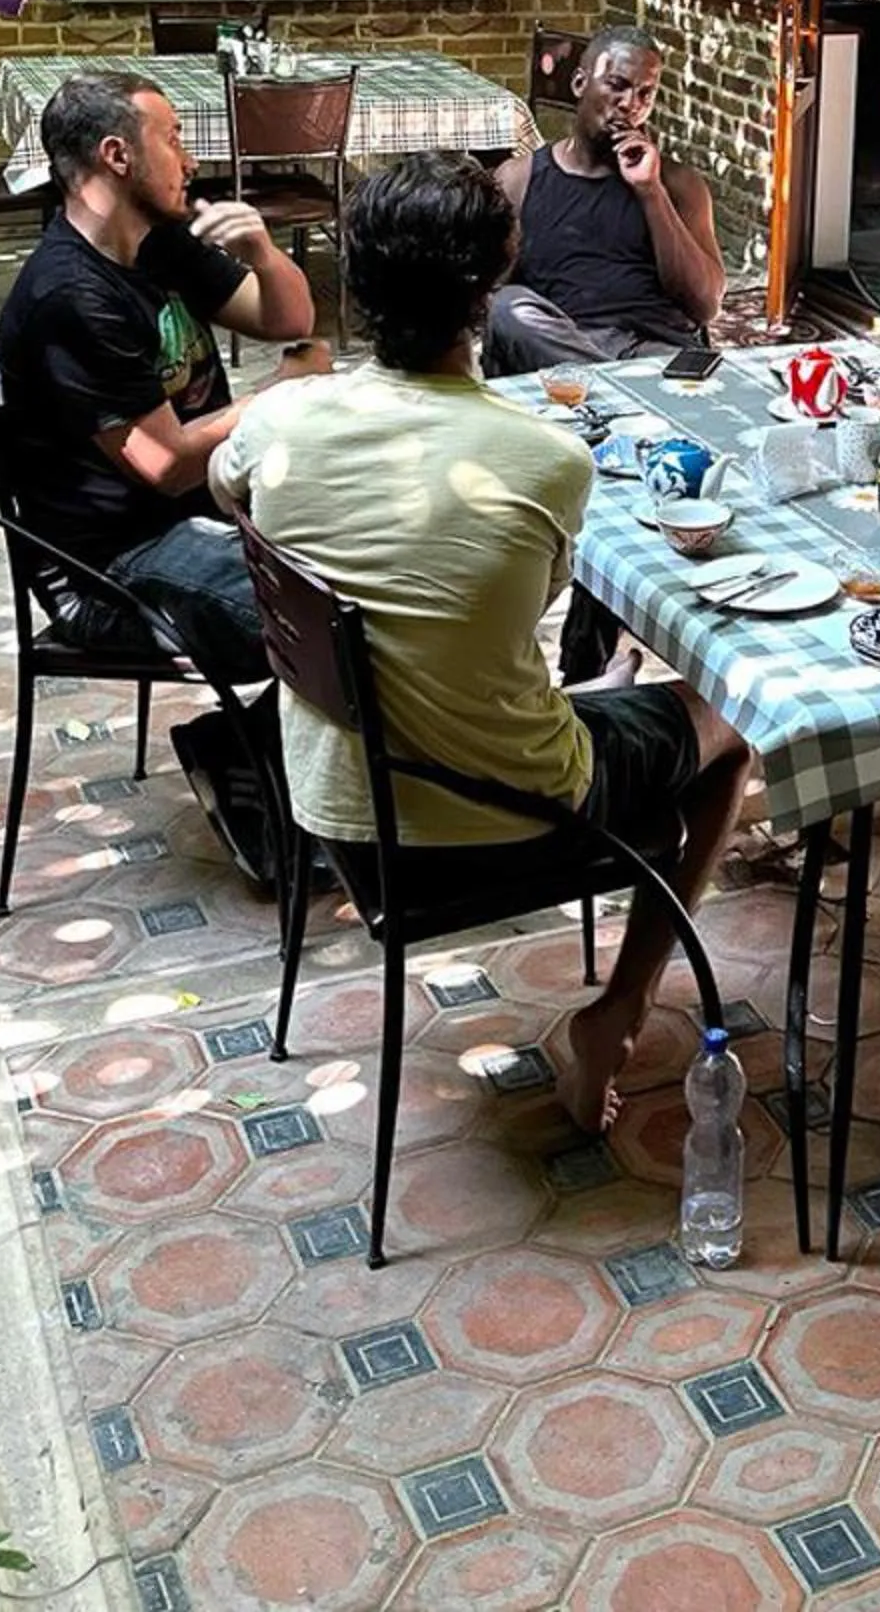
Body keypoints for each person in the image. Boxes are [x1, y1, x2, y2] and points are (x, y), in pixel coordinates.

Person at [214, 152, 750, 1134]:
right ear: (497, 282)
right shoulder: (542, 457)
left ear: (357, 284)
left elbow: (229, 491)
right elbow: (529, 598)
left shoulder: (281, 421)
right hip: (498, 818)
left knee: (590, 688)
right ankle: (616, 1017)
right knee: (733, 718)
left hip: (333, 800)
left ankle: (603, 709)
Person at [0, 70, 328, 681]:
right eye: (173, 139)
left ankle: (261, 754)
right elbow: (166, 467)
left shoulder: (158, 241)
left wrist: (264, 254)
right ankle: (247, 754)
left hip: (198, 515)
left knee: (365, 558)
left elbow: (291, 319)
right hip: (109, 569)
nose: (191, 161)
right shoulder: (70, 296)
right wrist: (285, 393)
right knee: (320, 621)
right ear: (117, 156)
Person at [482, 26, 723, 376]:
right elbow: (487, 295)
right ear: (580, 84)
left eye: (645, 94)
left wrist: (651, 192)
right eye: (617, 85)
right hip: (560, 350)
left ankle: (612, 385)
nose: (630, 105)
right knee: (507, 308)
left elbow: (705, 306)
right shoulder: (520, 178)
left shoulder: (677, 183)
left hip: (652, 354)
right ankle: (616, 384)